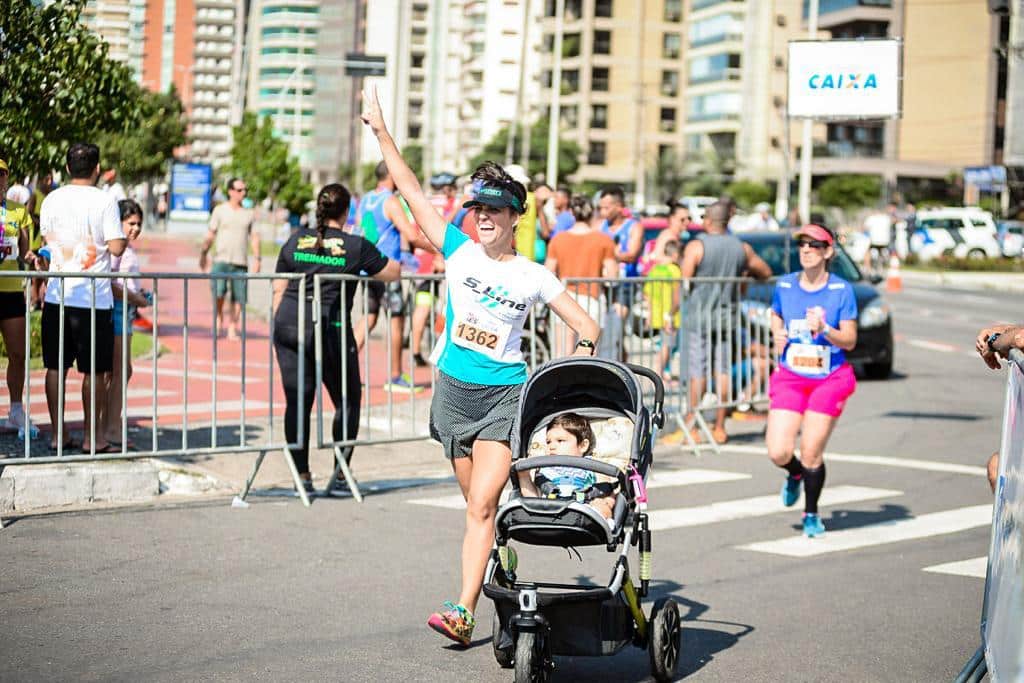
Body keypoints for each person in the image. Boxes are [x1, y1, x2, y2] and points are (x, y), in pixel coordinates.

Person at [361, 84, 601, 647]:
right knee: (475, 505)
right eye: (478, 210)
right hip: (452, 393)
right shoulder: (457, 250)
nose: (483, 218)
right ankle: (500, 562)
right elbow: (412, 191)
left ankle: (463, 611)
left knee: (485, 503)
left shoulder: (532, 275)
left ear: (515, 216)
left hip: (503, 396)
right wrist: (380, 129)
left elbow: (586, 325)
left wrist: (573, 363)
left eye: (494, 210)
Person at [272, 183, 401, 492]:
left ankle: (302, 476)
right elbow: (392, 272)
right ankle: (340, 473)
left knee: (298, 401)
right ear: (347, 212)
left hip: (290, 322)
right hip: (329, 328)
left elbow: (278, 287)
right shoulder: (355, 246)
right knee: (348, 399)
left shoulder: (295, 240)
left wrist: (281, 325)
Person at [766, 224, 858, 538]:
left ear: (828, 251)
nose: (806, 249)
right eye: (802, 244)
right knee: (778, 451)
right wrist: (776, 332)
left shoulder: (841, 290)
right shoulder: (785, 285)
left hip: (829, 378)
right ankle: (794, 475)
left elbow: (850, 341)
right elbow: (775, 313)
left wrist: (825, 329)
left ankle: (811, 513)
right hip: (791, 376)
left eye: (815, 245)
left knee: (810, 452)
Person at [39, 142, 127, 454]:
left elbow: (45, 241)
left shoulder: (52, 198)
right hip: (94, 298)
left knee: (55, 367)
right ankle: (93, 438)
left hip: (57, 294)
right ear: (97, 169)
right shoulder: (104, 200)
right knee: (95, 370)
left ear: (66, 168)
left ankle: (57, 435)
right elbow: (115, 248)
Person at [677, 201, 771, 445]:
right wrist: (744, 275)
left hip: (699, 317)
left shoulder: (697, 246)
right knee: (723, 372)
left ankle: (692, 426)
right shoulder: (742, 248)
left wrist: (671, 313)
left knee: (698, 371)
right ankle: (720, 427)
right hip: (727, 317)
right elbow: (766, 271)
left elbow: (683, 282)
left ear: (708, 221)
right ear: (727, 221)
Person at [352, 161, 432, 391]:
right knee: (396, 320)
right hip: (388, 270)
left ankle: (343, 368)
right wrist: (439, 250)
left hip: (368, 269)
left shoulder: (366, 200)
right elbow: (411, 235)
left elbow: (361, 229)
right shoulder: (391, 201)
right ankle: (396, 376)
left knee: (369, 317)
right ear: (392, 177)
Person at [103, 199, 151, 449]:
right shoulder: (116, 249)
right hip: (119, 310)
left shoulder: (126, 248)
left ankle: (110, 423)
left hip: (127, 309)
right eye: (131, 223)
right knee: (119, 370)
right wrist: (136, 298)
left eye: (138, 224)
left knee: (120, 371)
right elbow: (111, 282)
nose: (135, 228)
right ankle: (110, 427)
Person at [545, 195, 617, 356]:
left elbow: (548, 273)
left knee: (562, 353)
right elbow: (612, 277)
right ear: (592, 213)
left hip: (564, 297)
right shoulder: (604, 240)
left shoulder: (558, 239)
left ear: (571, 212)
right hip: (593, 298)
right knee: (590, 353)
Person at [0, 158, 41, 439]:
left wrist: (32, 258)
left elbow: (26, 253)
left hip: (12, 290)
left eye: (2, 175)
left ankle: (16, 410)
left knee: (17, 352)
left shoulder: (18, 211)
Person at [517, 413, 616, 519]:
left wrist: (605, 502)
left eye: (560, 441)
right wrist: (523, 476)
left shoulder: (591, 465)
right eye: (548, 442)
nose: (552, 446)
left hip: (583, 510)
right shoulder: (544, 467)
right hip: (548, 510)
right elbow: (533, 498)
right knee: (530, 503)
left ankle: (606, 525)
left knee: (604, 502)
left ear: (583, 446)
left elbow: (605, 486)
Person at [199, 177, 259, 341]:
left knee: (239, 297)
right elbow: (211, 233)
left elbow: (254, 237)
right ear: (231, 191)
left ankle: (233, 327)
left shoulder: (249, 213)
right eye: (240, 190)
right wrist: (204, 253)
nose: (243, 193)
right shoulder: (220, 210)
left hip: (240, 262)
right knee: (218, 293)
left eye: (245, 190)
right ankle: (219, 320)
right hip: (221, 260)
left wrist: (257, 258)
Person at [598, 186, 644, 360]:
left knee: (616, 329)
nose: (603, 212)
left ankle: (619, 371)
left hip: (625, 286)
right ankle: (621, 369)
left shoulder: (634, 226)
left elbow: (632, 254)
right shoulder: (600, 226)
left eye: (607, 207)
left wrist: (609, 254)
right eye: (600, 207)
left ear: (619, 206)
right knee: (609, 331)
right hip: (603, 285)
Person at [644, 240, 682, 382]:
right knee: (667, 345)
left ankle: (660, 372)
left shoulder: (655, 269)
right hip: (670, 314)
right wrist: (670, 315)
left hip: (657, 313)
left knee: (663, 344)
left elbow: (646, 292)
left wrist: (649, 313)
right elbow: (677, 294)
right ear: (676, 254)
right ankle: (659, 375)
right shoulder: (675, 270)